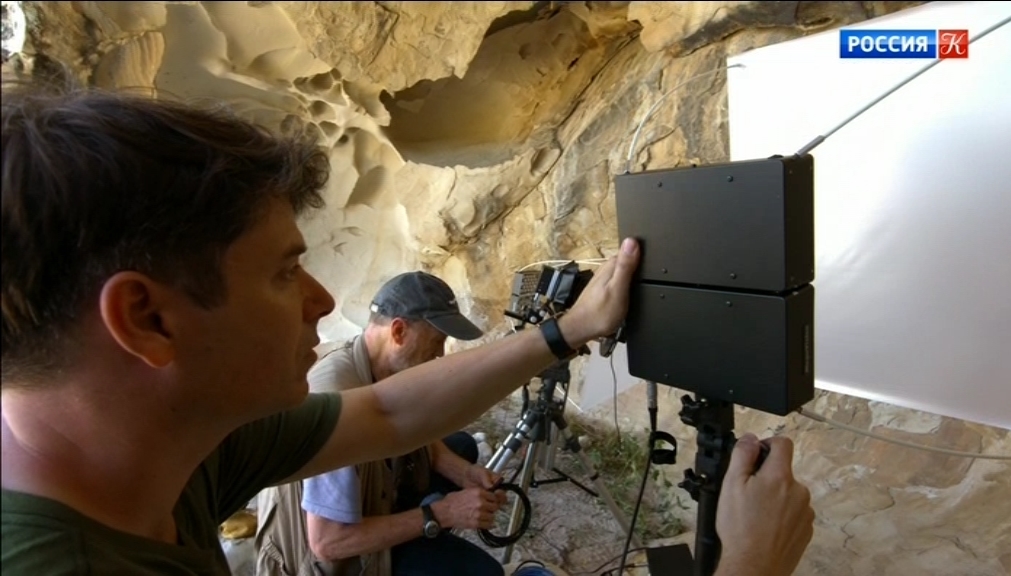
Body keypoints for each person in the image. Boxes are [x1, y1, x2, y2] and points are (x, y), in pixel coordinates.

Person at [0, 79, 815, 576]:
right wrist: (749, 564)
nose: (320, 300)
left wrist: (567, 330)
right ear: (147, 320)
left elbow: (388, 415)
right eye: (283, 273)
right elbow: (332, 534)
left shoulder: (164, 441)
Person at [254, 271, 506, 576]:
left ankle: (416, 532)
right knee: (484, 573)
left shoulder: (379, 364)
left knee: (461, 447)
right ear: (398, 332)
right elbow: (329, 543)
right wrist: (443, 513)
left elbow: (412, 428)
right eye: (436, 341)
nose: (440, 354)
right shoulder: (339, 403)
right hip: (330, 561)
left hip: (371, 502)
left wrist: (464, 473)